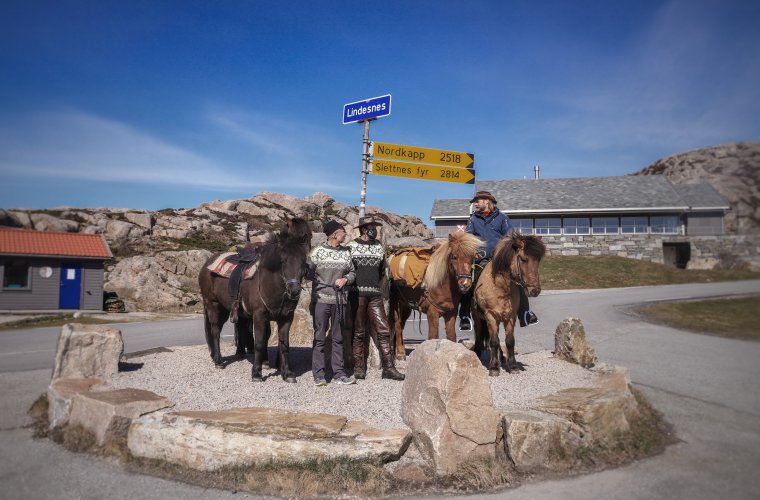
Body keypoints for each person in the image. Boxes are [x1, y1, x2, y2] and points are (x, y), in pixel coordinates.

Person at [458, 190, 539, 330]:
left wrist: (503, 251)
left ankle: (525, 312)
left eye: (478, 200)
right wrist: (474, 252)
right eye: (475, 202)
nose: (475, 204)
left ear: (487, 201)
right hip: (481, 258)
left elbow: (510, 237)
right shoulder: (473, 220)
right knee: (468, 282)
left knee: (517, 278)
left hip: (500, 259)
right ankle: (465, 316)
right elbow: (467, 239)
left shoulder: (502, 218)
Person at [348, 216, 405, 381]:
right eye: (371, 226)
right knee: (358, 331)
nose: (374, 229)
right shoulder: (351, 247)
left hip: (375, 295)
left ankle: (388, 367)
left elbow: (382, 271)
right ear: (363, 229)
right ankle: (359, 367)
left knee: (384, 330)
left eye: (375, 226)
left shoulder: (379, 247)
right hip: (356, 294)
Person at [308, 220, 356, 386]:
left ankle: (339, 374)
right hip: (321, 299)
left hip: (340, 300)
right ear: (335, 234)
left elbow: (352, 273)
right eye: (343, 231)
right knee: (319, 337)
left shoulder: (346, 252)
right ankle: (319, 375)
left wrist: (345, 279)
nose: (345, 234)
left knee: (338, 338)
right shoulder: (317, 252)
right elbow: (307, 272)